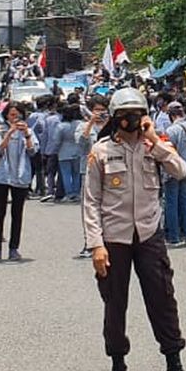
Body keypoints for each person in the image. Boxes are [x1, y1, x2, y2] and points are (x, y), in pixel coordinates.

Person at [82, 87, 186, 371]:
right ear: (115, 117)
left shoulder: (156, 146)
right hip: (114, 238)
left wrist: (155, 141)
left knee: (163, 299)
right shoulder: (101, 151)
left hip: (149, 234)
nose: (131, 120)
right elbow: (91, 201)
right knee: (114, 303)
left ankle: (174, 366)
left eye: (137, 114)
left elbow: (182, 171)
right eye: (125, 115)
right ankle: (117, 367)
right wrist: (96, 244)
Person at [0, 102, 36, 261]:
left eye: (17, 115)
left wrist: (27, 135)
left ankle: (14, 248)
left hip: (21, 174)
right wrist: (9, 133)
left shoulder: (28, 131)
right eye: (11, 115)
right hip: (2, 175)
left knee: (17, 213)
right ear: (6, 116)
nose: (14, 118)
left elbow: (33, 151)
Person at [76, 95, 109, 258]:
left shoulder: (112, 126)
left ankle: (107, 241)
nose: (100, 113)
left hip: (110, 171)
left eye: (103, 110)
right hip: (88, 170)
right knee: (89, 207)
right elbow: (81, 145)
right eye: (97, 110)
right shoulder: (83, 126)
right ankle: (89, 243)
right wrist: (90, 123)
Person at [163, 101, 186, 246]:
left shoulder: (171, 130)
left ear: (171, 115)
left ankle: (174, 236)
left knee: (171, 202)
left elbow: (166, 150)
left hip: (173, 169)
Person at [56, 104, 83, 202]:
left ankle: (69, 194)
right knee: (77, 173)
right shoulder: (80, 124)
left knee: (66, 174)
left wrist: (55, 150)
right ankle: (77, 193)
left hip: (64, 152)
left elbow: (56, 140)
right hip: (78, 150)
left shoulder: (61, 126)